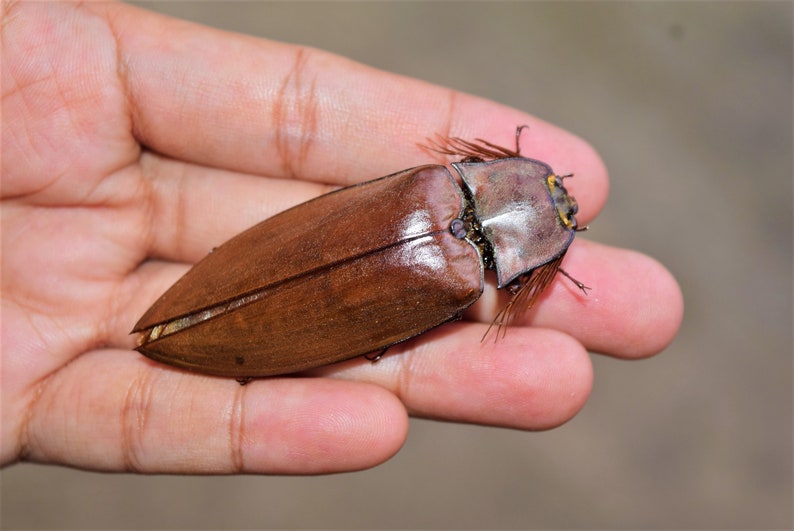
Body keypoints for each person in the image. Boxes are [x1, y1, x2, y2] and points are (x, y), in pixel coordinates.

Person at [1, 2, 682, 474]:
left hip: (312, 254)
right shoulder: (456, 275)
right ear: (523, 267)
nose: (560, 193)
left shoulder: (429, 184)